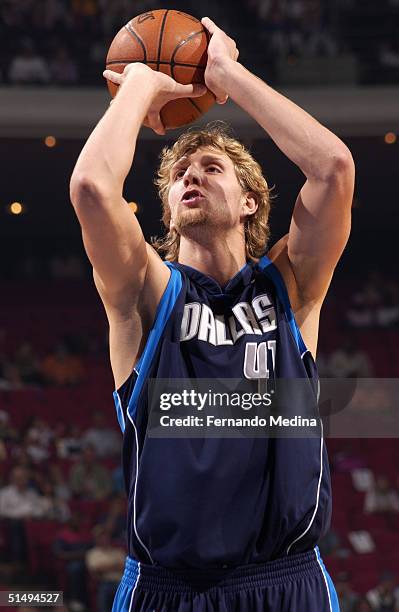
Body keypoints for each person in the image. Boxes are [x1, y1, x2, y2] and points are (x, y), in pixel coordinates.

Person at [70, 14, 354, 612]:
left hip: (289, 582)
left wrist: (227, 73)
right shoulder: (147, 293)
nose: (189, 175)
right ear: (168, 213)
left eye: (210, 168)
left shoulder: (291, 288)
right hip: (170, 589)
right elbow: (93, 186)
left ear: (251, 201)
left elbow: (333, 168)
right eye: (177, 176)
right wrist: (143, 85)